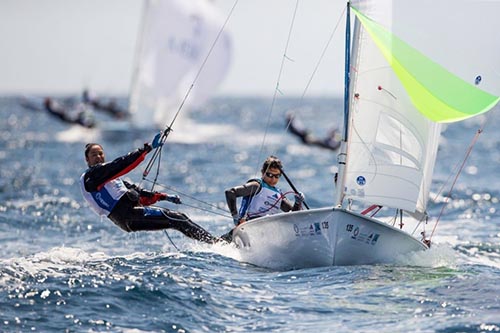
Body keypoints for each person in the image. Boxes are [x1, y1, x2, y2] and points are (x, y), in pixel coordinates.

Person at [80, 134, 218, 244]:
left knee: (177, 219)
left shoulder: (110, 180)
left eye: (101, 154)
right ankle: (217, 244)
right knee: (177, 218)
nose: (99, 157)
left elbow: (139, 193)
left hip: (131, 214)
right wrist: (148, 148)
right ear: (87, 160)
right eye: (94, 155)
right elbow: (119, 164)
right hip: (126, 215)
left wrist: (164, 197)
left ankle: (215, 242)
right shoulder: (91, 177)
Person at [222, 156, 304, 241]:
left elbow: (294, 215)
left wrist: (298, 202)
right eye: (270, 175)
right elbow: (230, 192)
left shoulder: (278, 194)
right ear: (263, 172)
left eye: (277, 176)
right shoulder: (256, 185)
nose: (273, 179)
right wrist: (235, 216)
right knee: (216, 242)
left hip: (267, 231)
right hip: (247, 228)